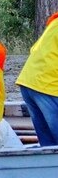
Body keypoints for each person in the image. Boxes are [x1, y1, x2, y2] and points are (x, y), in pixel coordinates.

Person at [17, 12, 58, 146]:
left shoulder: (55, 24)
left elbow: (34, 49)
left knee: (47, 145)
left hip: (29, 83)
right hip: (48, 87)